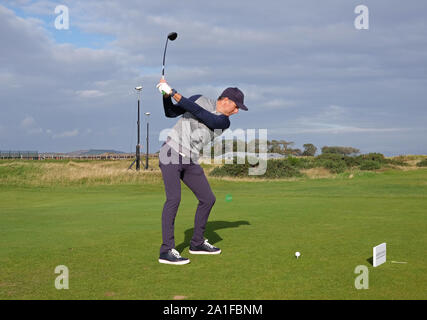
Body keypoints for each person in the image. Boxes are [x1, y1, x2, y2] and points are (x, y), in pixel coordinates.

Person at [156, 79, 248, 265]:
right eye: (237, 107)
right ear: (227, 100)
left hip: (190, 159)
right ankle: (166, 251)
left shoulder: (224, 121)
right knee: (173, 199)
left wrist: (174, 91)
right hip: (171, 152)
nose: (237, 111)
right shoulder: (199, 98)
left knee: (208, 199)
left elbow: (206, 116)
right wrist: (166, 96)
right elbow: (171, 112)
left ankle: (196, 243)